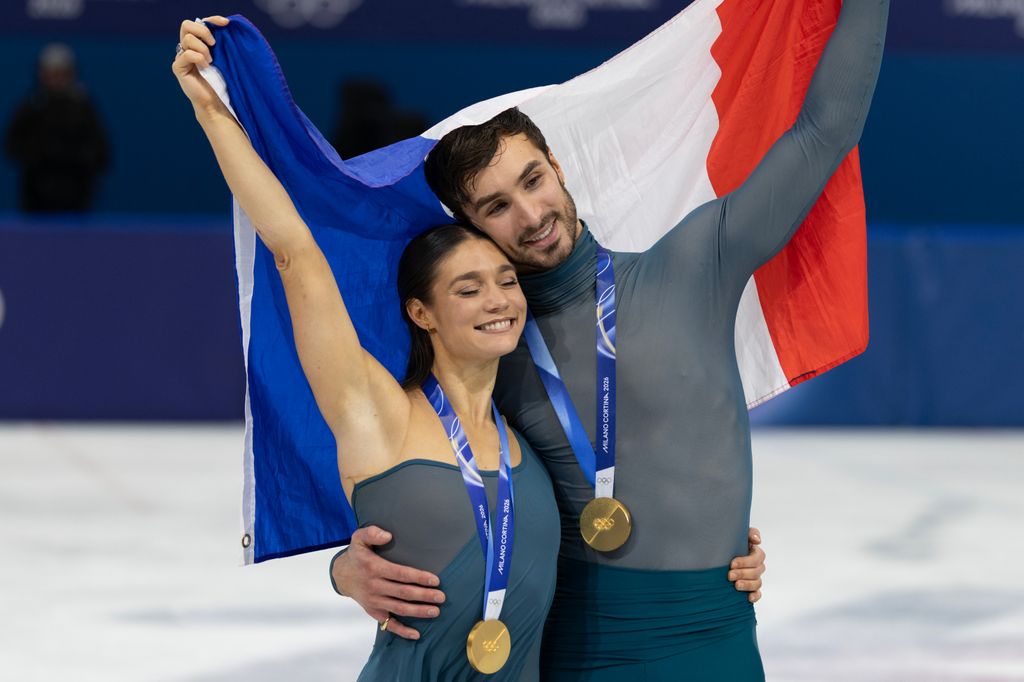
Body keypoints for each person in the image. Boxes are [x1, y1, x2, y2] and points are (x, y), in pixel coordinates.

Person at [332, 0, 889, 678]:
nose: (531, 215)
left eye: (532, 181)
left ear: (560, 169)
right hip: (569, 652)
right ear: (472, 225)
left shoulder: (694, 266)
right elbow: (400, 467)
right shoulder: (485, 350)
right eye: (497, 206)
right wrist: (344, 567)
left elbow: (823, 131)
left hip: (711, 639)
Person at [174, 17, 562, 679]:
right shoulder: (377, 410)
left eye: (504, 281)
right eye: (467, 289)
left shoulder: (529, 426)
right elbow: (295, 253)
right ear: (422, 313)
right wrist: (210, 107)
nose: (499, 300)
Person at [4, 43, 109, 212]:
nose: (56, 80)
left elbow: (101, 152)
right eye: (51, 74)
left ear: (71, 74)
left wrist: (75, 159)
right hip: (36, 197)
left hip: (76, 196)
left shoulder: (83, 108)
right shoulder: (31, 107)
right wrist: (39, 155)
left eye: (61, 74)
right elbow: (12, 146)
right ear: (41, 75)